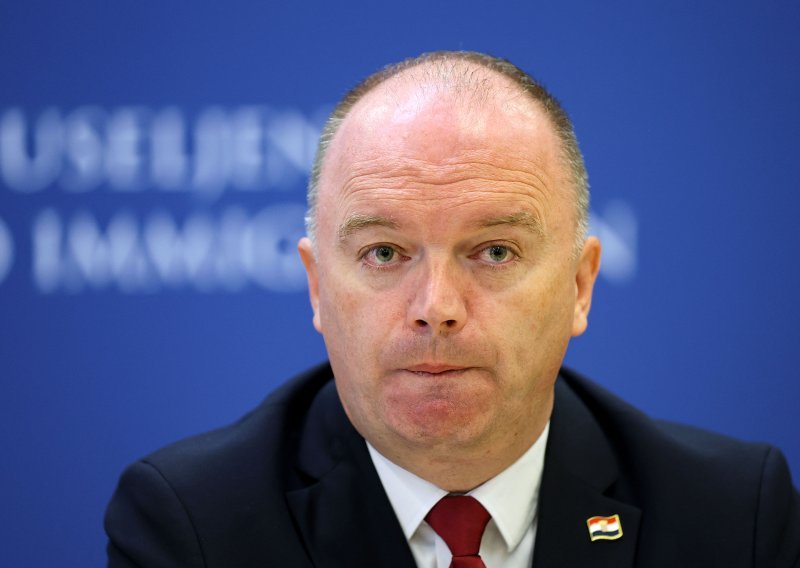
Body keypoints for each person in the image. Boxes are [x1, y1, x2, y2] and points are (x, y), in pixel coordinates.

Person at [105, 51, 800, 567]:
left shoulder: (730, 517)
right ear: (317, 288)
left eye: (494, 252)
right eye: (384, 253)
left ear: (580, 286)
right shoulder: (195, 526)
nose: (436, 308)